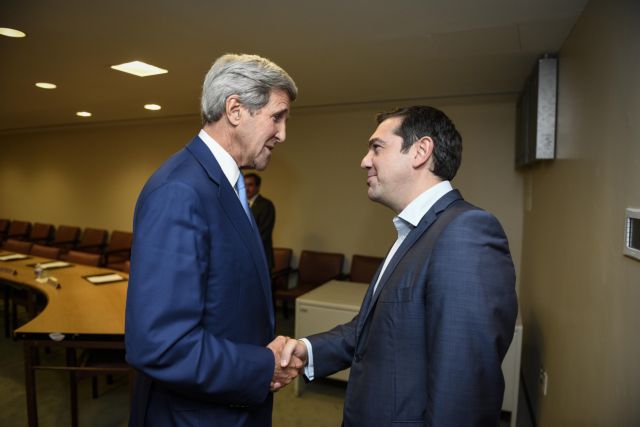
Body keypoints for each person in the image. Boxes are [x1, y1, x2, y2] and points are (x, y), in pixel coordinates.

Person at [281, 106, 518, 426]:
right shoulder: (416, 232)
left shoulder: (465, 232)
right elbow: (375, 329)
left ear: (420, 151)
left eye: (376, 147)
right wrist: (307, 350)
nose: (365, 161)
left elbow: (463, 388)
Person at [125, 53, 302, 427]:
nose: (283, 134)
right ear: (235, 110)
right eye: (277, 117)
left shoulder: (224, 185)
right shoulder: (179, 191)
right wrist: (262, 365)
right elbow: (161, 345)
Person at [244, 172, 275, 268]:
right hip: (245, 258)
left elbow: (263, 234)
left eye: (250, 185)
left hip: (261, 257)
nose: (246, 188)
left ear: (258, 187)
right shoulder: (241, 204)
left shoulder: (266, 205)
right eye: (244, 185)